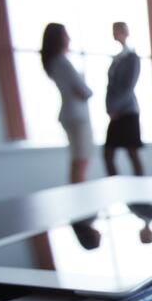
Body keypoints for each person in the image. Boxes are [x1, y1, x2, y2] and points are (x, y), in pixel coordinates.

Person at [41, 23, 93, 184]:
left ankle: (78, 193)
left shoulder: (54, 62)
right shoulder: (62, 62)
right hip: (77, 115)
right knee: (81, 160)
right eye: (65, 35)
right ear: (58, 38)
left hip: (69, 114)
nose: (69, 38)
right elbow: (85, 91)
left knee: (77, 158)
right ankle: (80, 194)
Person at [105, 22, 143, 177]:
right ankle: (116, 184)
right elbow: (111, 86)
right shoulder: (118, 58)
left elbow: (128, 86)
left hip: (127, 111)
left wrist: (114, 108)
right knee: (108, 154)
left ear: (124, 32)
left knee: (132, 153)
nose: (114, 33)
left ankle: (141, 186)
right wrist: (109, 108)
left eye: (117, 30)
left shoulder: (132, 57)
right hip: (115, 112)